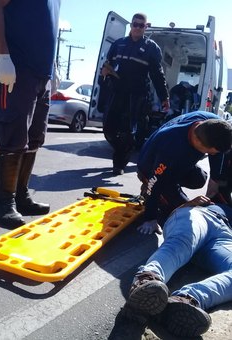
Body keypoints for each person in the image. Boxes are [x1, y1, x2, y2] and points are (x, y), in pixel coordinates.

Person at [0, 0, 61, 228]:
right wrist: (3, 57)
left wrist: (53, 67)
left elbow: (46, 29)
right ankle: (3, 203)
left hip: (41, 75)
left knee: (35, 138)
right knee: (12, 137)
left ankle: (20, 196)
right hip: (16, 68)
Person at [125, 196, 232, 338]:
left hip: (224, 236)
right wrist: (187, 205)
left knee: (184, 246)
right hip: (201, 215)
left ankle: (187, 300)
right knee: (181, 243)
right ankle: (146, 279)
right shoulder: (216, 200)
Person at [137, 111, 232, 234]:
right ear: (198, 142)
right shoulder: (170, 147)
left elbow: (219, 153)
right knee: (178, 209)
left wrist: (215, 179)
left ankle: (170, 187)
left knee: (199, 178)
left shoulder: (212, 123)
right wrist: (150, 218)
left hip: (177, 161)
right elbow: (154, 182)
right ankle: (153, 194)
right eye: (211, 152)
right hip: (149, 168)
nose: (213, 154)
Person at [101, 13, 170, 176]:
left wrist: (164, 97)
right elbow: (108, 65)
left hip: (137, 95)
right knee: (108, 129)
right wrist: (104, 73)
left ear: (146, 27)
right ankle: (126, 147)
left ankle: (119, 163)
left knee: (126, 130)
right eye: (135, 24)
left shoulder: (151, 48)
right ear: (131, 25)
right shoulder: (118, 44)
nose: (137, 28)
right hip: (117, 92)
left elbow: (157, 75)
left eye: (141, 25)